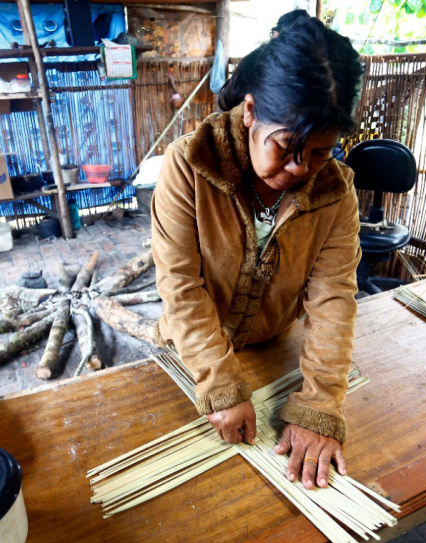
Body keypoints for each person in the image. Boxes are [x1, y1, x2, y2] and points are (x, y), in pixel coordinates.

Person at [151, 15, 364, 491]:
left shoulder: (335, 194)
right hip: (189, 354)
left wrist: (321, 403)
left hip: (273, 350)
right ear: (249, 111)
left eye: (320, 153)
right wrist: (220, 385)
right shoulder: (189, 165)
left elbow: (333, 300)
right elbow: (181, 287)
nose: (298, 169)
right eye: (286, 147)